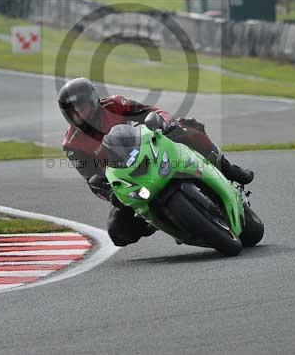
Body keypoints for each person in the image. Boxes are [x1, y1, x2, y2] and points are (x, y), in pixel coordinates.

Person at [58, 77, 254, 247]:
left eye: (82, 108)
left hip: (150, 149)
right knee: (117, 232)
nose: (80, 115)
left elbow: (150, 111)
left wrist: (165, 123)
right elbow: (91, 177)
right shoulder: (71, 144)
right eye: (74, 112)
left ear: (93, 101)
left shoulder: (115, 104)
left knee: (188, 127)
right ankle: (151, 222)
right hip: (127, 178)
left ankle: (229, 169)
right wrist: (111, 194)